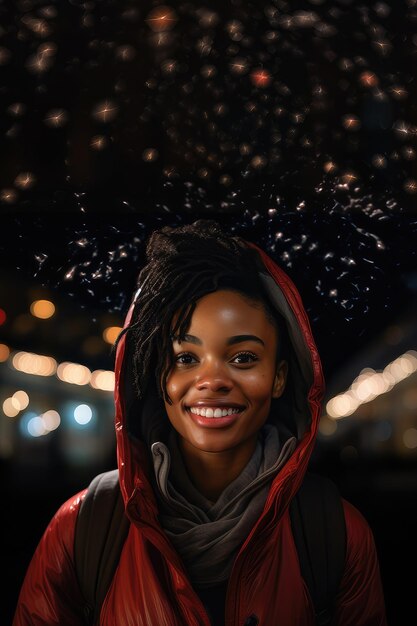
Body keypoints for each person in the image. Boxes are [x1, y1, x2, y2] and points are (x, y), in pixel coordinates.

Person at [13, 219, 387, 625]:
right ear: (159, 377)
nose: (212, 381)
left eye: (243, 357)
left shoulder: (335, 533)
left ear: (279, 377)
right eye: (185, 358)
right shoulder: (82, 528)